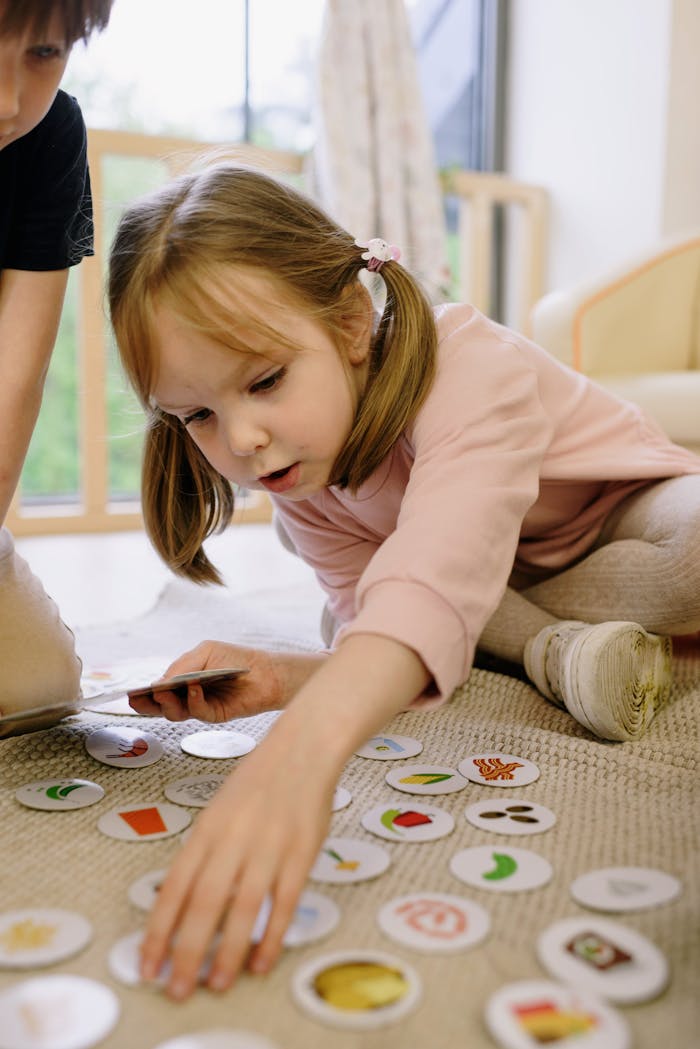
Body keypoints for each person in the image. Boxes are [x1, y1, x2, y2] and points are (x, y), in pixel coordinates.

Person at [108, 163, 700, 1000]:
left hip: (627, 516)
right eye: (196, 414)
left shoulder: (467, 362)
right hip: (483, 578)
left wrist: (301, 750)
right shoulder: (301, 488)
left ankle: (527, 643)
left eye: (266, 379)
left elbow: (437, 565)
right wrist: (291, 680)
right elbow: (377, 625)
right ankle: (546, 647)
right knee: (352, 622)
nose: (241, 438)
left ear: (351, 321)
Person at [0, 0, 113, 719]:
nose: (8, 104)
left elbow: (14, 380)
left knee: (38, 690)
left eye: (42, 56)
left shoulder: (52, 137)